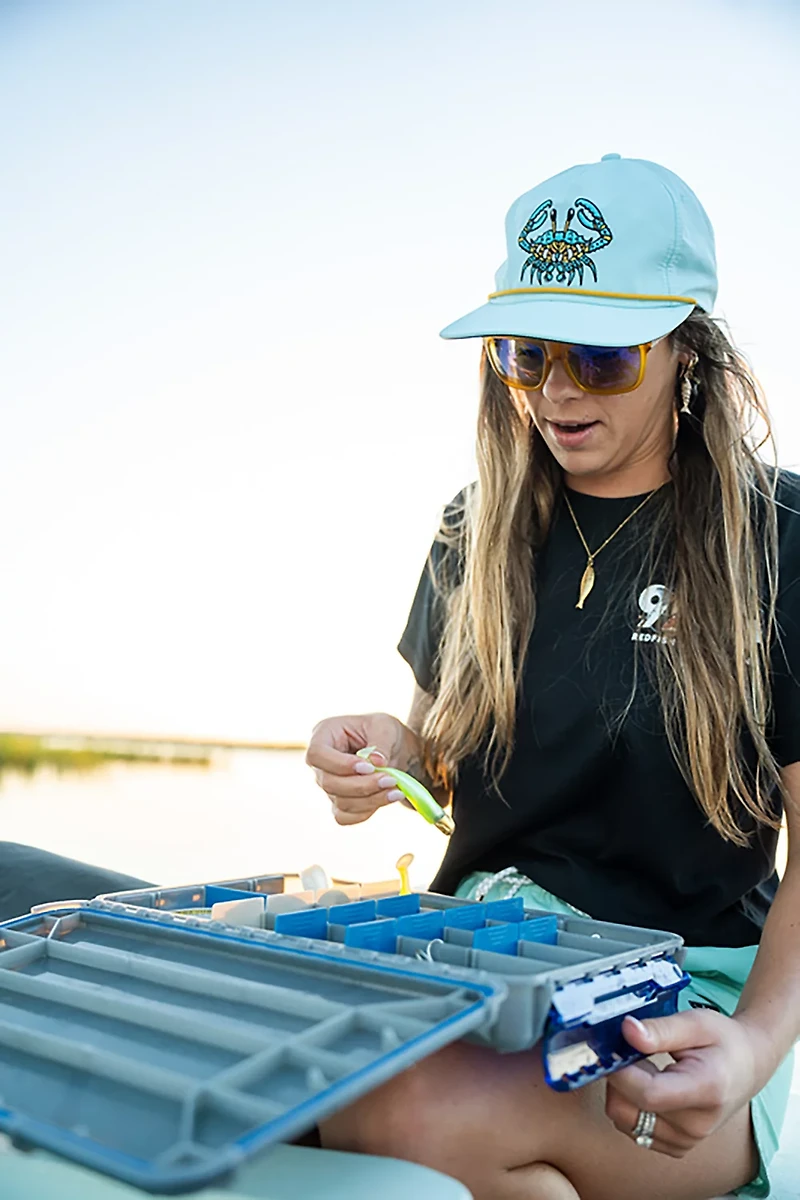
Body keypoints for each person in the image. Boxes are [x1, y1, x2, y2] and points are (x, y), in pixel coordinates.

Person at [305, 154, 799, 1200]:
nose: (556, 392)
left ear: (685, 352)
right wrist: (385, 757)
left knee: (409, 1115)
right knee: (296, 1083)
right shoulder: (469, 529)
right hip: (473, 957)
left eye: (602, 356)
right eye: (525, 354)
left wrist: (753, 1046)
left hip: (681, 995)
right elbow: (437, 760)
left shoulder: (780, 540)